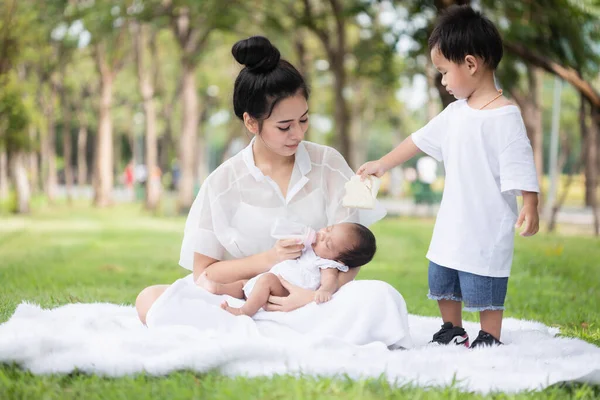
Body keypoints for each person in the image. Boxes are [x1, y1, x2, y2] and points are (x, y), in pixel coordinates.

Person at [135, 36, 412, 349]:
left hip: (318, 304)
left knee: (382, 297)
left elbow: (353, 251)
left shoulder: (330, 163)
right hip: (245, 303)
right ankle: (265, 334)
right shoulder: (222, 183)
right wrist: (270, 258)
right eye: (284, 126)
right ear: (251, 122)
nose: (298, 133)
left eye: (304, 120)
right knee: (151, 300)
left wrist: (312, 296)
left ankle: (251, 341)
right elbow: (205, 274)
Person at [358, 5, 539, 348]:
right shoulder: (454, 113)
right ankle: (451, 327)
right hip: (452, 218)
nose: (442, 80)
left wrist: (530, 202)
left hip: (487, 220)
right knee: (443, 272)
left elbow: (520, 162)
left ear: (470, 64)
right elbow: (417, 140)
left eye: (443, 72)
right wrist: (383, 163)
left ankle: (489, 334)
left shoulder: (505, 117)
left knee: (484, 277)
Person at [198, 222, 376, 317]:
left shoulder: (326, 263)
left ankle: (244, 311)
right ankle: (217, 288)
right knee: (245, 284)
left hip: (284, 291)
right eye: (327, 229)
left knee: (266, 280)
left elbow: (330, 281)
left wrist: (323, 291)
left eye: (327, 243)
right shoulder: (310, 247)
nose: (321, 235)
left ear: (338, 260)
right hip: (270, 280)